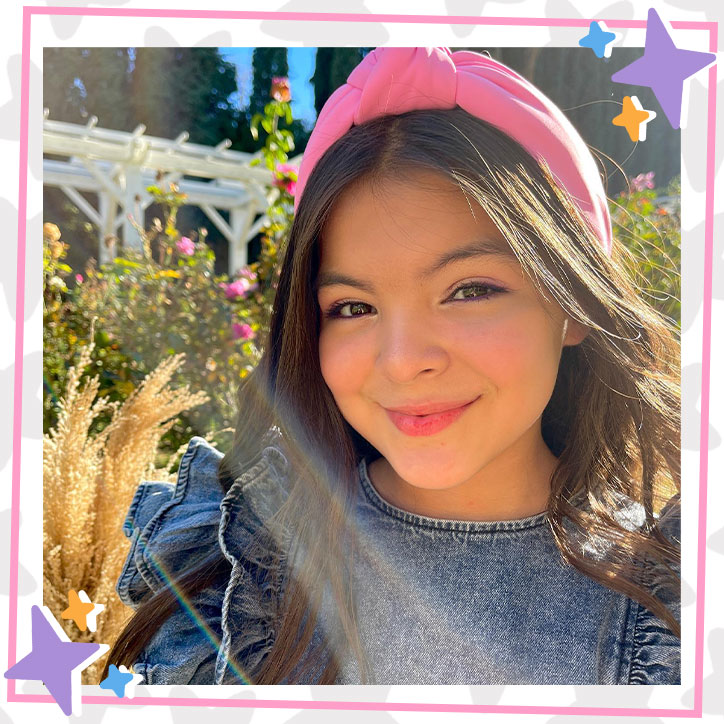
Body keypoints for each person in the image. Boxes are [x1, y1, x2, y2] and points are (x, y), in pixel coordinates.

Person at [104, 47, 681, 685]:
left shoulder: (674, 600)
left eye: (470, 291)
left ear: (573, 304)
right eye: (353, 307)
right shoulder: (240, 568)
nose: (403, 362)